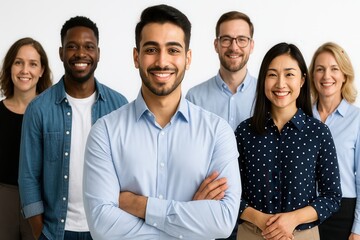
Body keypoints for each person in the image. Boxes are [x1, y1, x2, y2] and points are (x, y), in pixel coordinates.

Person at [83, 4, 241, 240]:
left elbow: (223, 220)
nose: (162, 61)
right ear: (136, 57)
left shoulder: (218, 132)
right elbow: (102, 226)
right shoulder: (104, 132)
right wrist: (189, 220)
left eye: (173, 50)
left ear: (187, 58)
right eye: (151, 49)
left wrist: (139, 205)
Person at [18, 16, 128, 240]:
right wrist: (40, 233)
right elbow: (28, 176)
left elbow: (130, 172)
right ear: (60, 53)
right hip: (56, 232)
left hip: (106, 229)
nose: (81, 54)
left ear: (98, 53)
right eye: (72, 47)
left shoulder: (120, 106)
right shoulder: (38, 109)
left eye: (89, 47)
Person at [235, 42, 342, 240]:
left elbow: (332, 197)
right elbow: (231, 194)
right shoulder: (244, 132)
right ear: (263, 80)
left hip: (302, 235)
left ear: (302, 80)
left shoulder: (319, 133)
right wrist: (262, 221)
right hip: (252, 233)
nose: (280, 83)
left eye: (289, 74)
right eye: (272, 74)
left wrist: (292, 219)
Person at [0, 37, 52, 240]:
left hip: (43, 200)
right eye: (18, 62)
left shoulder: (51, 114)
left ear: (41, 71)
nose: (25, 70)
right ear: (10, 66)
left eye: (33, 64)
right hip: (4, 199)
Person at [309, 42, 360, 240]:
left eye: (334, 69)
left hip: (343, 213)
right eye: (320, 69)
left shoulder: (357, 120)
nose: (326, 76)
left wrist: (357, 229)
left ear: (344, 75)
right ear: (312, 76)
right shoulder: (301, 117)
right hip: (304, 210)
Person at [186, 11, 256, 131]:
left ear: (251, 46)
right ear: (216, 45)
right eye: (226, 39)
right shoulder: (194, 98)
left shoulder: (266, 94)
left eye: (242, 39)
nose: (234, 47)